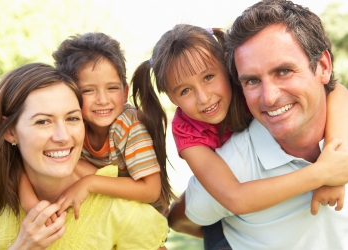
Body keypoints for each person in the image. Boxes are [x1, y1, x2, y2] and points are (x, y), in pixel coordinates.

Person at [131, 23, 348, 243]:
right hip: (223, 203)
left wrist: (337, 161)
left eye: (208, 77)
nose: (204, 97)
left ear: (227, 66)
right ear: (172, 98)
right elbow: (235, 198)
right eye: (185, 91)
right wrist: (323, 174)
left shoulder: (251, 88)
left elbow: (335, 90)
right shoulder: (186, 131)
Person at [0, 63, 169, 249]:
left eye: (72, 118)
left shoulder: (123, 212)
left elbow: (151, 190)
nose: (63, 137)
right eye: (43, 121)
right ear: (10, 132)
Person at [19, 32, 176, 220]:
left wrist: (89, 183)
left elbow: (151, 190)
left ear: (125, 92)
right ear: (71, 95)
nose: (102, 100)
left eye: (112, 88)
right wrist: (32, 207)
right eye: (88, 90)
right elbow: (20, 165)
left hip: (146, 216)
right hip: (105, 210)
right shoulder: (73, 126)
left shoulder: (128, 126)